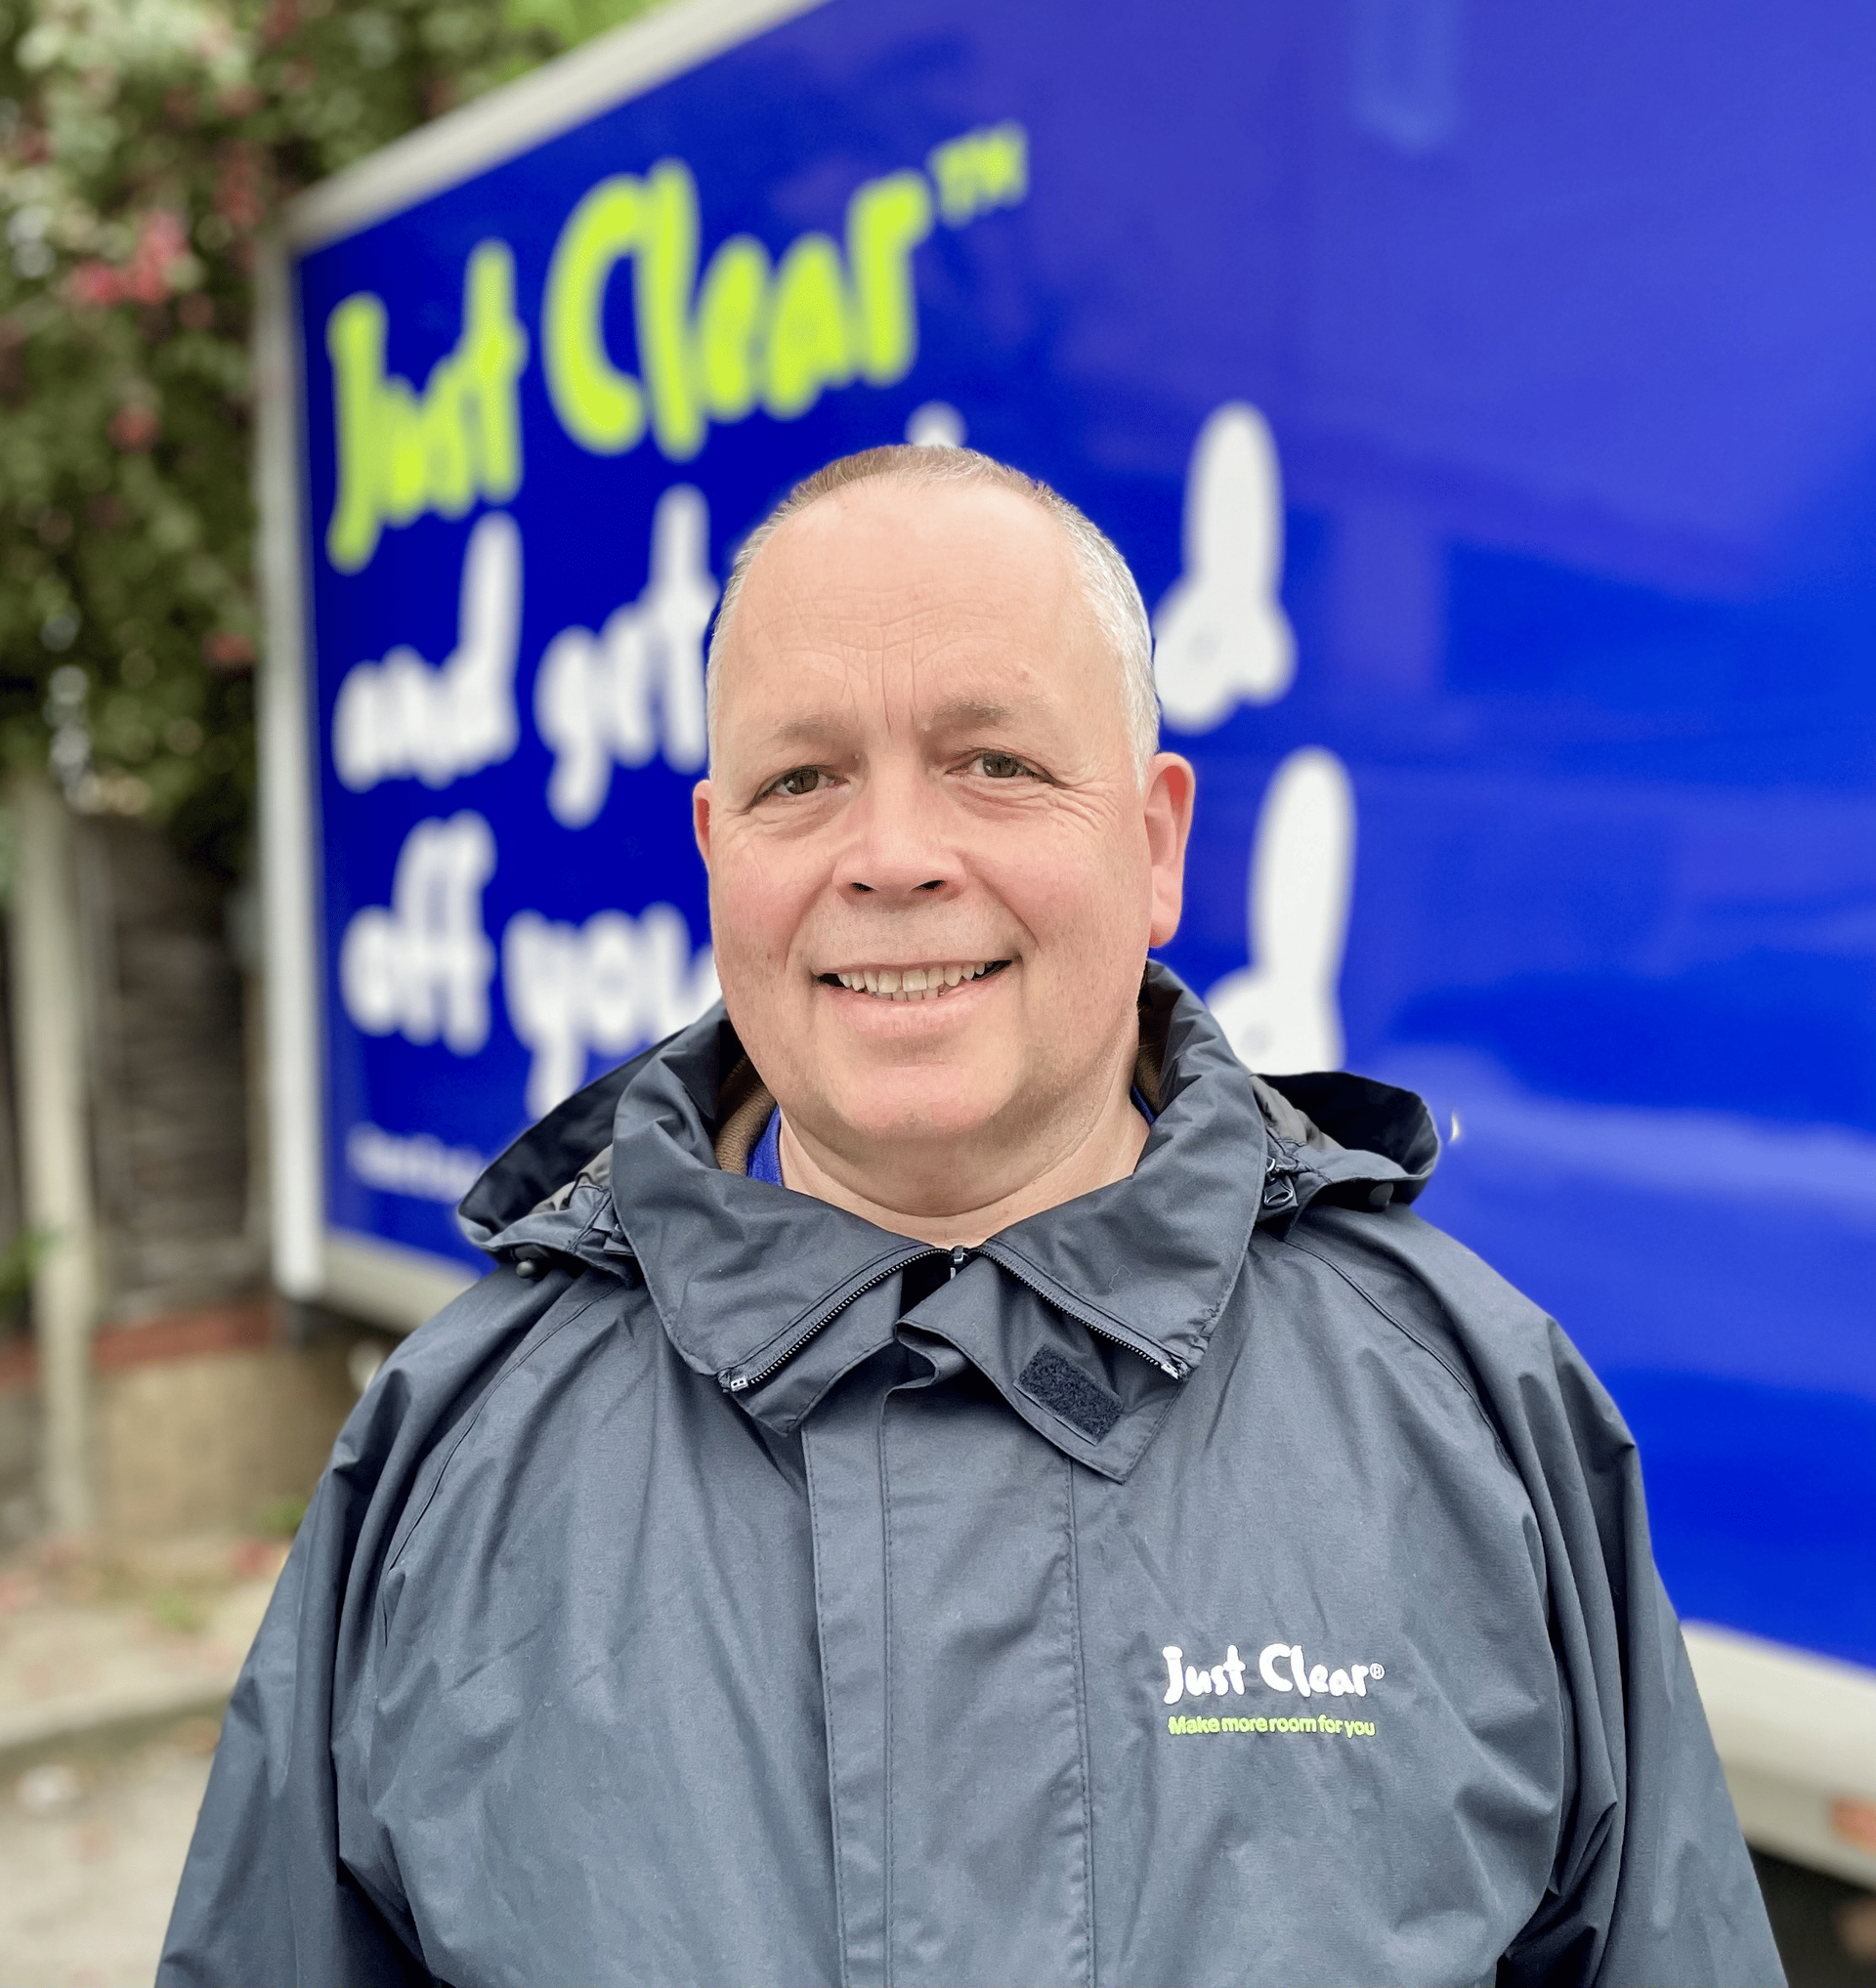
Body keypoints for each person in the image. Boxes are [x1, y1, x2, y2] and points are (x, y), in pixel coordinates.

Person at [160, 445, 1783, 1988]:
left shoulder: (1473, 1411)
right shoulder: (454, 1449)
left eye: (994, 764)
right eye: (805, 779)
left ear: (1154, 844)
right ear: (722, 856)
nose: (893, 856)